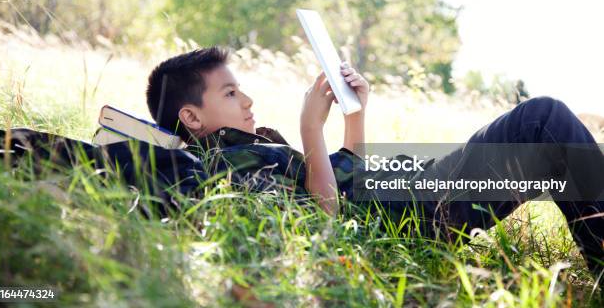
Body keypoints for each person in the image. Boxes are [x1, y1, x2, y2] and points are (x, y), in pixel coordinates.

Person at [145, 46, 604, 282]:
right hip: (418, 207)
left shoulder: (249, 147)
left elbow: (349, 177)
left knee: (547, 134)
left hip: (407, 182)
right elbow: (324, 224)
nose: (246, 100)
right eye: (229, 93)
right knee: (543, 120)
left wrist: (354, 115)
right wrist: (310, 132)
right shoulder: (227, 169)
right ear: (191, 116)